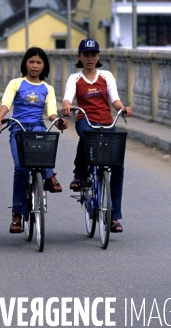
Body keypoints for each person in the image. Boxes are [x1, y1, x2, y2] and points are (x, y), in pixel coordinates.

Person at [62, 39, 132, 234]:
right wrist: (67, 105)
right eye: (86, 55)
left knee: (117, 166)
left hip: (107, 121)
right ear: (79, 57)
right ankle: (79, 174)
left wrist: (122, 108)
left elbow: (114, 99)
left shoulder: (106, 76)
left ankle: (114, 216)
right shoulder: (74, 79)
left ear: (98, 56)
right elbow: (68, 97)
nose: (90, 58)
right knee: (86, 136)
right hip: (85, 120)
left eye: (93, 55)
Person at [0, 47, 67, 234]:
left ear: (44, 66)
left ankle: (49, 176)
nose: (35, 66)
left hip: (38, 128)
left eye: (39, 62)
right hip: (18, 127)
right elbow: (6, 103)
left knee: (45, 153)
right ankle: (17, 215)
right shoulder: (16, 83)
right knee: (21, 168)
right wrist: (0, 116)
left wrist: (57, 121)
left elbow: (51, 112)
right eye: (31, 62)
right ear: (25, 63)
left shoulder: (47, 89)